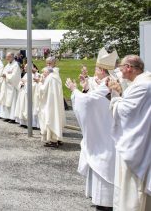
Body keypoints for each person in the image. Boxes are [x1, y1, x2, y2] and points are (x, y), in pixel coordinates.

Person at [66, 48, 118, 211]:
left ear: (102, 70)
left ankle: (106, 202)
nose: (94, 71)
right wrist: (86, 88)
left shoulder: (109, 82)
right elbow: (94, 99)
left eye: (96, 69)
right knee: (100, 162)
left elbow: (89, 102)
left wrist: (74, 90)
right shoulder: (109, 81)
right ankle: (100, 198)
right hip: (104, 128)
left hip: (107, 131)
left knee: (104, 162)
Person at [107, 55, 150, 211]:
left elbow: (126, 111)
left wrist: (115, 96)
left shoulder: (143, 86)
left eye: (121, 66)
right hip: (139, 138)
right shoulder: (142, 82)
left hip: (136, 144)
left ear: (129, 68)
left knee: (132, 187)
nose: (119, 69)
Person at [38, 65, 65, 147]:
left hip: (49, 103)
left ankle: (53, 140)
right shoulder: (57, 77)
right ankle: (58, 138)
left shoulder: (49, 78)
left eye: (44, 72)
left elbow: (43, 90)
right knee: (56, 119)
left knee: (50, 119)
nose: (43, 74)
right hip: (56, 103)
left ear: (48, 72)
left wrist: (40, 83)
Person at [0, 52, 21, 121]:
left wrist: (7, 75)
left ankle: (12, 117)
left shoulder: (16, 65)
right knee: (6, 101)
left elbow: (15, 76)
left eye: (8, 57)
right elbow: (3, 72)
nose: (7, 58)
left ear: (12, 57)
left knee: (12, 102)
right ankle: (7, 116)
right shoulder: (7, 65)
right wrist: (4, 75)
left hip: (12, 86)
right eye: (6, 57)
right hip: (6, 85)